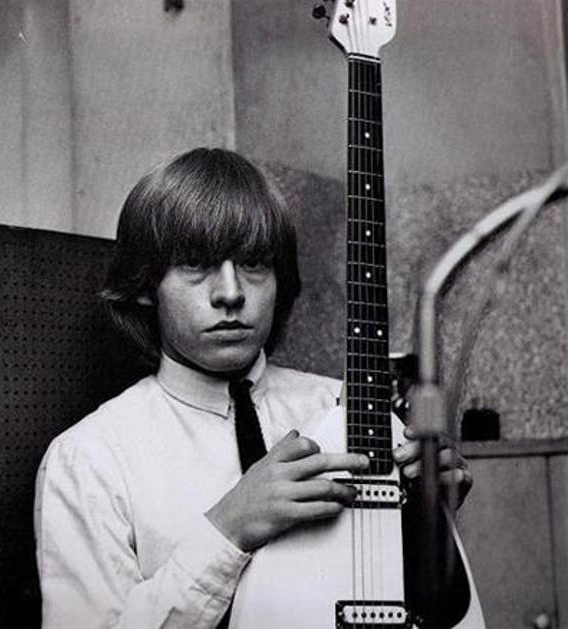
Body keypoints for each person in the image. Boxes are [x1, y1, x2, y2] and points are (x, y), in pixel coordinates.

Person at [34, 147, 472, 628]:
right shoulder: (88, 460)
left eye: (254, 264)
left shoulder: (347, 411)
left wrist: (432, 519)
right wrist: (228, 531)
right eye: (195, 264)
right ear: (144, 286)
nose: (231, 293)